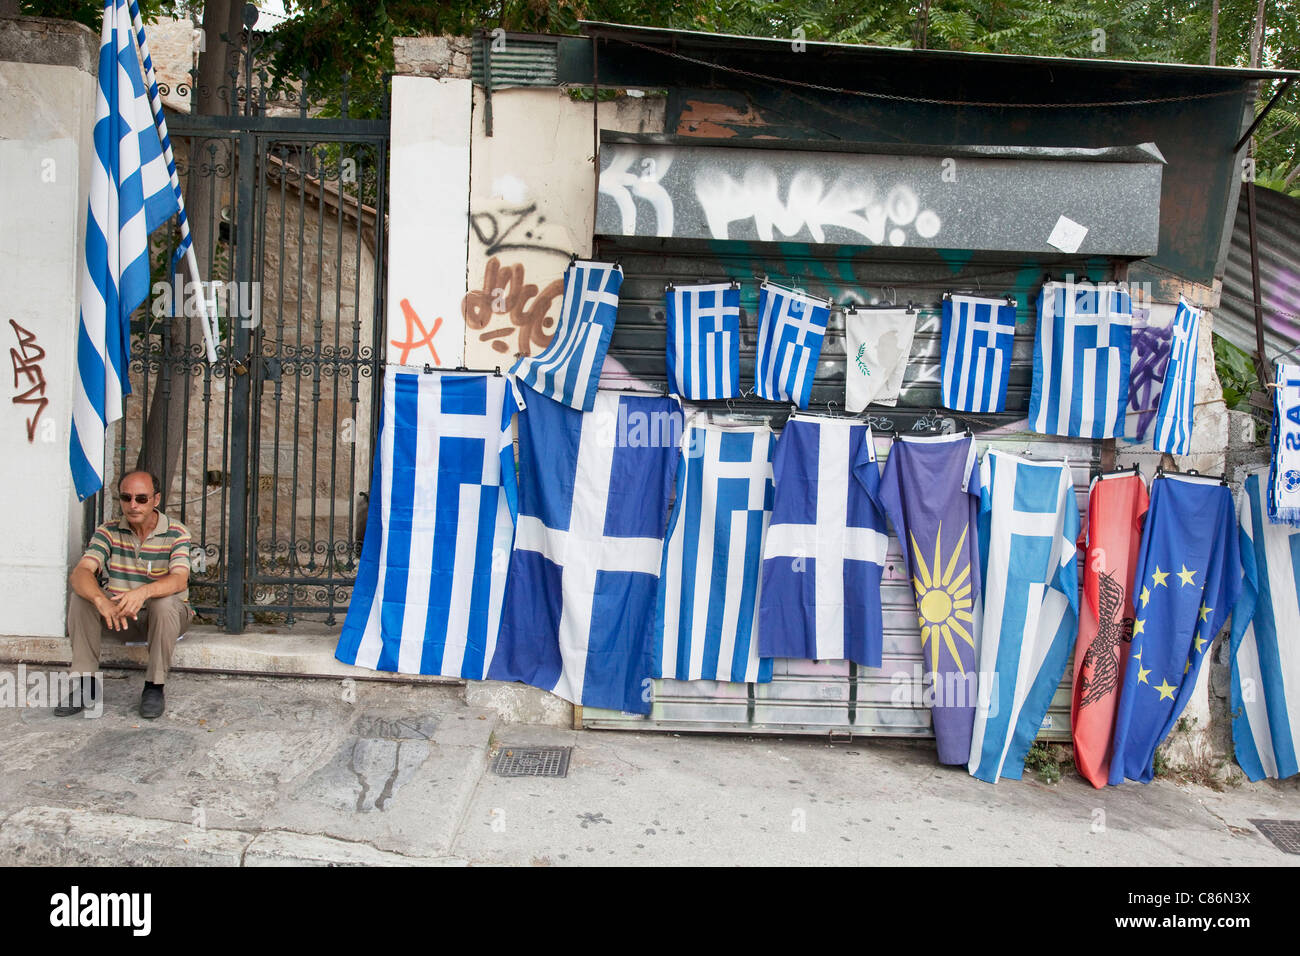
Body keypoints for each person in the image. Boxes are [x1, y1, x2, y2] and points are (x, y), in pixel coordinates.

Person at [55, 470, 195, 718]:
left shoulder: (176, 532)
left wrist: (143, 592)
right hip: (119, 615)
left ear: (156, 499)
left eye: (141, 498)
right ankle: (86, 685)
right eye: (126, 497)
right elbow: (81, 572)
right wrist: (100, 599)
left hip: (164, 618)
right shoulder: (108, 531)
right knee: (81, 596)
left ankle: (154, 686)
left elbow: (179, 578)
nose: (133, 505)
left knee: (162, 603)